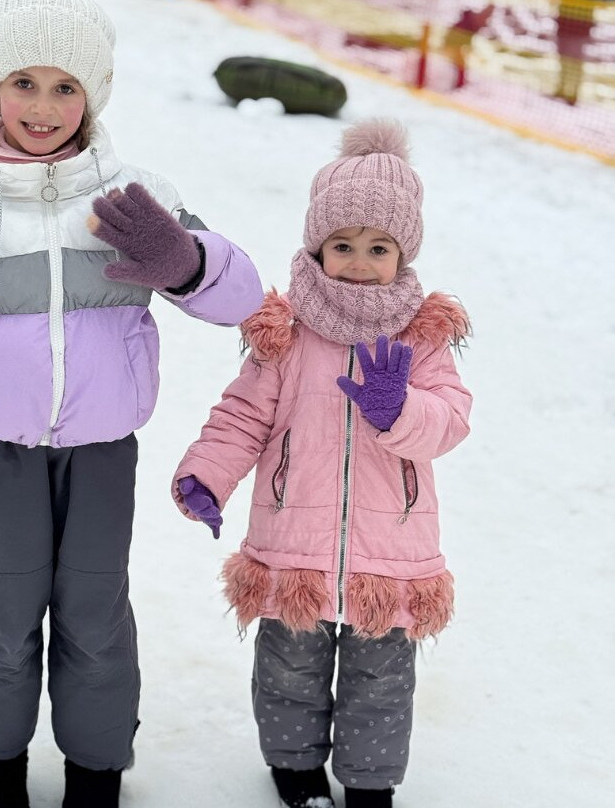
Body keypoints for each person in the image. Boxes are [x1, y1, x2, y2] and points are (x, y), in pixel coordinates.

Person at [0, 1, 263, 806]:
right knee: (3, 612)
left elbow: (240, 299)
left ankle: (97, 772)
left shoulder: (135, 196)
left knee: (95, 612)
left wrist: (186, 262)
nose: (43, 107)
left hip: (102, 447)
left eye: (65, 87)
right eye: (24, 83)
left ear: (94, 93)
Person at [172, 119, 472, 808]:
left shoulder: (421, 338)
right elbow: (243, 415)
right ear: (317, 247)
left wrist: (399, 411)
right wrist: (207, 473)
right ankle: (296, 770)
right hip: (291, 545)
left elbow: (451, 419)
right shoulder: (288, 335)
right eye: (343, 246)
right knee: (289, 670)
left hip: (390, 552)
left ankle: (369, 784)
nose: (359, 262)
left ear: (403, 253)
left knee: (381, 681)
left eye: (378, 247)